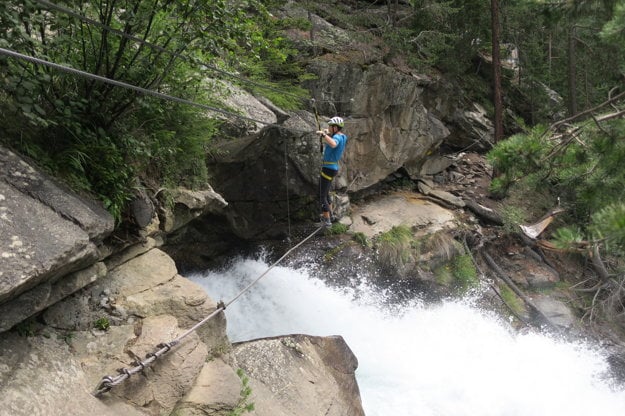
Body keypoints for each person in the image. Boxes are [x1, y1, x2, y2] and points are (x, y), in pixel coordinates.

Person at [315, 116, 347, 227]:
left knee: (321, 194)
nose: (328, 127)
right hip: (332, 168)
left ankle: (327, 220)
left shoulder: (337, 138)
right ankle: (331, 215)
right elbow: (334, 139)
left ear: (335, 127)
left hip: (328, 169)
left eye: (330, 126)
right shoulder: (342, 136)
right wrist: (327, 134)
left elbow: (333, 143)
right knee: (326, 192)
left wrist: (324, 135)